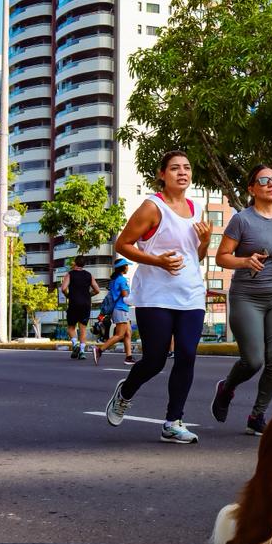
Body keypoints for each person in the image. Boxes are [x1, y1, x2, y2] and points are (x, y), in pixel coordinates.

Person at [102, 150, 211, 443]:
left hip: (190, 293)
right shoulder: (152, 207)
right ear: (162, 174)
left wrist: (206, 241)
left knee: (187, 355)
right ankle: (125, 392)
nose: (182, 172)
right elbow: (123, 245)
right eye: (175, 168)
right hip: (155, 295)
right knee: (155, 360)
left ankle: (173, 421)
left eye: (187, 168)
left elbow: (196, 256)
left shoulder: (197, 208)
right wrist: (158, 261)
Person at [210, 164, 272, 435]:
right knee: (253, 360)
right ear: (251, 188)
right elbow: (221, 257)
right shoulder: (242, 219)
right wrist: (245, 260)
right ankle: (226, 387)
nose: (271, 184)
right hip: (246, 297)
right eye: (263, 180)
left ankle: (257, 415)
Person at [92, 259, 135, 364]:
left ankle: (128, 357)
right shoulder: (122, 280)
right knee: (120, 335)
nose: (128, 268)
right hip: (121, 309)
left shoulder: (114, 280)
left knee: (128, 333)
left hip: (119, 309)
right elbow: (125, 295)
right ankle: (99, 350)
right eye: (126, 266)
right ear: (123, 267)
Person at [61, 256, 99, 359]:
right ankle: (82, 352)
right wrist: (89, 295)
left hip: (74, 303)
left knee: (71, 327)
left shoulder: (70, 274)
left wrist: (67, 295)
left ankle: (75, 344)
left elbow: (63, 288)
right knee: (83, 329)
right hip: (86, 304)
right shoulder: (89, 275)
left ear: (75, 263)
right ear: (84, 264)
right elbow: (97, 290)